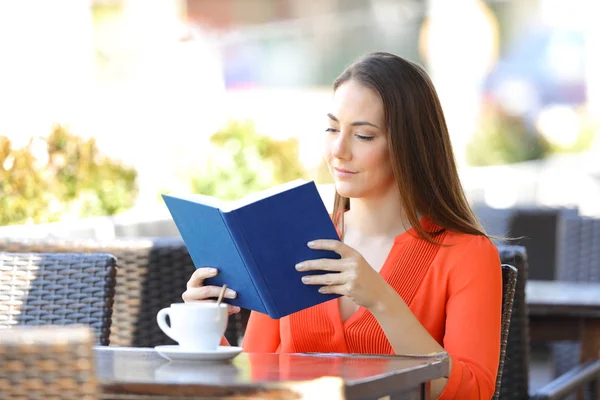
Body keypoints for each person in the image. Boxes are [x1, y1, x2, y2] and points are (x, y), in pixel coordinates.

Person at [182, 52, 502, 399]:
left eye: (363, 136)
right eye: (332, 129)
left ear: (410, 146)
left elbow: (475, 392)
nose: (338, 150)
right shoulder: (293, 241)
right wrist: (207, 329)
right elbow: (256, 377)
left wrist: (381, 300)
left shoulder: (466, 254)